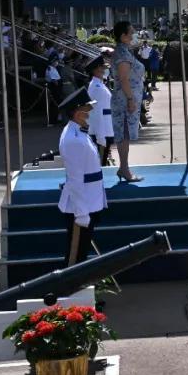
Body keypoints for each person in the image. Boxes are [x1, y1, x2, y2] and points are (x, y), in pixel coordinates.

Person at [57, 86, 109, 266]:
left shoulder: (78, 132)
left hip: (90, 200)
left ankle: (76, 289)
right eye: (87, 110)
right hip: (82, 205)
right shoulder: (73, 139)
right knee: (75, 257)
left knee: (81, 253)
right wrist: (81, 212)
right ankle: (69, 290)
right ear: (78, 113)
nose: (90, 113)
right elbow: (75, 179)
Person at [109, 21, 145, 183]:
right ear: (123, 36)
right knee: (124, 135)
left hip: (127, 99)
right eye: (131, 32)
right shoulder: (122, 54)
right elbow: (124, 79)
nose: (133, 35)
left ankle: (123, 167)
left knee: (125, 135)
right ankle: (124, 169)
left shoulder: (125, 51)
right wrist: (130, 99)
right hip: (124, 101)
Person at [85, 55, 114, 167]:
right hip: (102, 130)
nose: (104, 70)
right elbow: (97, 113)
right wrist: (100, 136)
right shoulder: (96, 87)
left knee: (102, 162)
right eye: (102, 68)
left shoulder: (99, 84)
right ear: (95, 70)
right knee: (100, 164)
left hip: (105, 127)